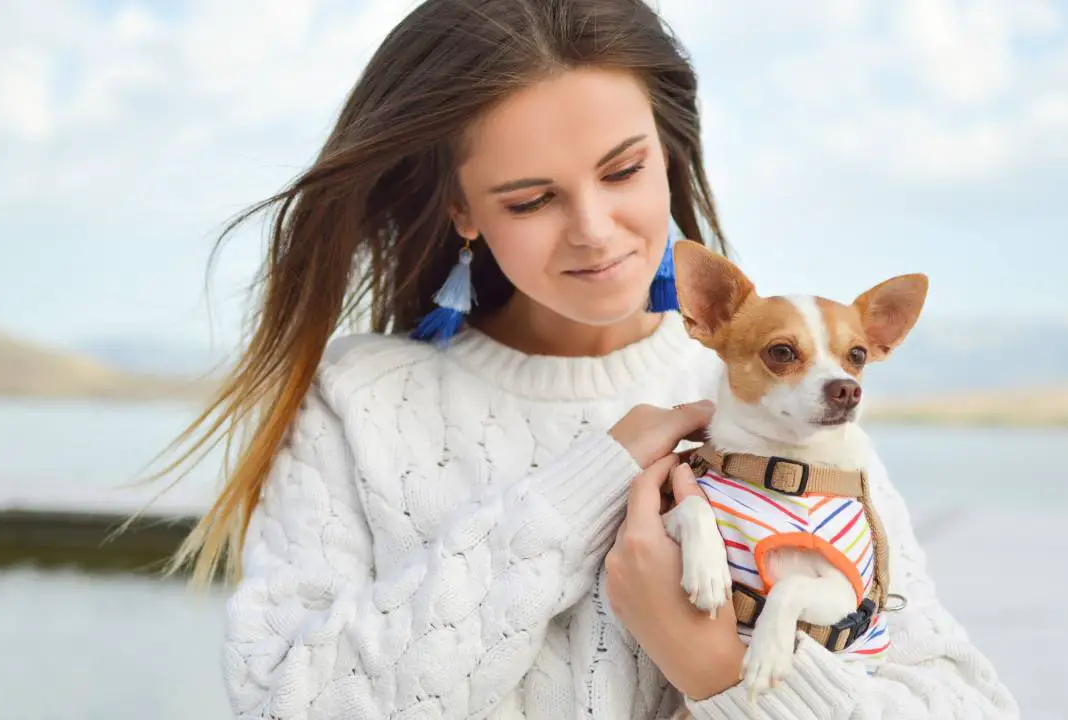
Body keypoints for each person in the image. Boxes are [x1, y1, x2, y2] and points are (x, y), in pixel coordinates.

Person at [161, 0, 1019, 717]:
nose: (595, 231)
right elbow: (285, 702)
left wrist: (721, 676)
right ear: (462, 209)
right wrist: (575, 497)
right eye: (531, 198)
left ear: (667, 151)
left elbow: (961, 701)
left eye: (623, 170)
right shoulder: (360, 403)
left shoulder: (769, 397)